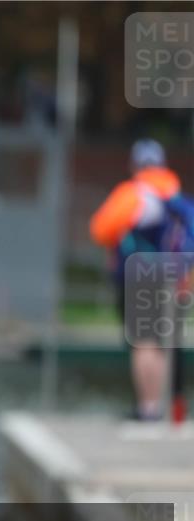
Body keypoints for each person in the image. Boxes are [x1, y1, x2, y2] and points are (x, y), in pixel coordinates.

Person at [90, 139, 185, 421]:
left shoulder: (134, 194)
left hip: (141, 273)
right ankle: (168, 405)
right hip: (172, 275)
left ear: (134, 164)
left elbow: (100, 230)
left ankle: (149, 407)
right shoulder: (174, 195)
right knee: (164, 343)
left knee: (144, 343)